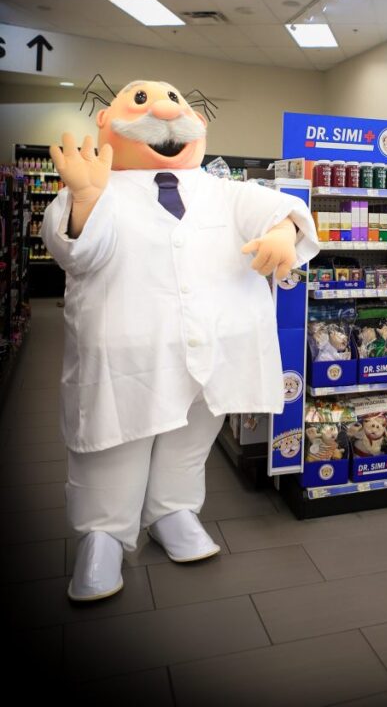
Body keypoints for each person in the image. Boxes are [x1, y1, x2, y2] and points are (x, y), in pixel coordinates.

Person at [42, 79, 319, 600]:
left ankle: (173, 512)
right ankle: (103, 535)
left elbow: (278, 209)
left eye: (176, 102)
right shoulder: (99, 186)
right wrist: (85, 199)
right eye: (141, 102)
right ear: (105, 123)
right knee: (115, 440)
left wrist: (283, 233)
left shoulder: (221, 189)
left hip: (215, 347)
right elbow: (76, 252)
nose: (166, 113)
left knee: (190, 439)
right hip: (127, 352)